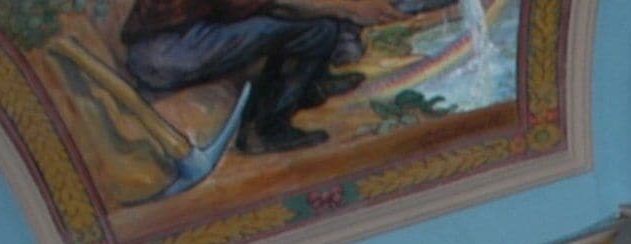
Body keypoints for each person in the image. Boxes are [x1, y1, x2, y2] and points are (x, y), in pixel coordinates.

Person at [118, 0, 454, 156]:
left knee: (316, 24)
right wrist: (346, 8)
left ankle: (307, 86)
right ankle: (264, 130)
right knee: (315, 29)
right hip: (165, 53)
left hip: (192, 36)